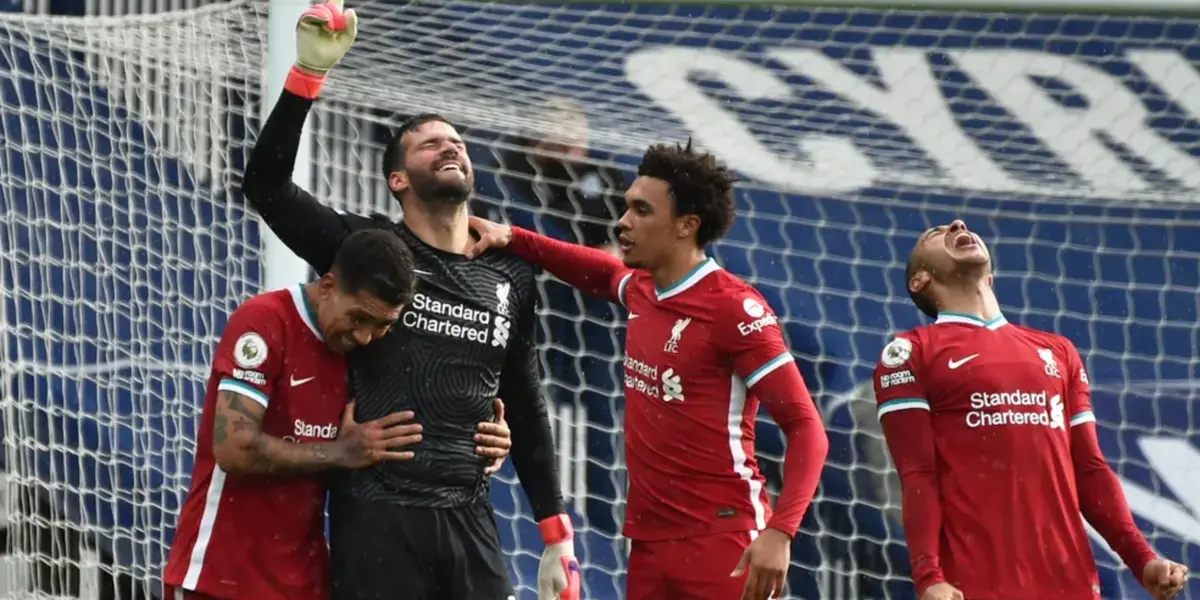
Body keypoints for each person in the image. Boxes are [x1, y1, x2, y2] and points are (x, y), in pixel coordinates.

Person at [239, 2, 579, 599]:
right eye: (429, 145)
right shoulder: (367, 250)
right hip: (378, 517)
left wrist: (555, 535)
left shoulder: (510, 273)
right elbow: (266, 187)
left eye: (457, 142)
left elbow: (524, 402)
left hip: (470, 515)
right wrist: (307, 76)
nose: (449, 148)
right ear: (397, 179)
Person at [466, 140, 830, 600]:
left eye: (641, 210)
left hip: (724, 540)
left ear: (686, 226)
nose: (623, 221)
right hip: (648, 544)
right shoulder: (643, 288)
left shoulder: (735, 309)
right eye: (627, 207)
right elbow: (602, 273)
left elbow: (806, 427)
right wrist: (516, 238)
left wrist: (781, 530)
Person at [163, 230, 514, 600]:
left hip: (304, 582)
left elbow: (419, 416)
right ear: (328, 286)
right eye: (359, 317)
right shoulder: (265, 321)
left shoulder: (361, 354)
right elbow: (233, 448)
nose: (365, 336)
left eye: (383, 326)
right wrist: (339, 452)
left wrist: (485, 437)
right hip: (219, 575)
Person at [872, 219, 1190, 600]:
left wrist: (1142, 559)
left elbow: (1090, 469)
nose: (958, 224)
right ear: (920, 280)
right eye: (936, 234)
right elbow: (918, 474)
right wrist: (928, 577)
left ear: (990, 278)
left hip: (1070, 584)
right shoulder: (910, 353)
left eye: (958, 225)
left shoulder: (1058, 351)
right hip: (975, 585)